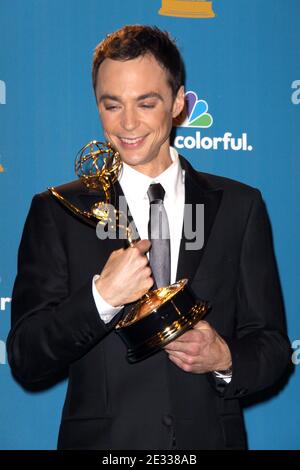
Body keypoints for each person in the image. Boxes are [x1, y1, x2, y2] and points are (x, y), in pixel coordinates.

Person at [7, 25, 290, 450]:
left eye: (146, 102)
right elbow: (27, 358)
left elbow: (272, 348)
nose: (128, 123)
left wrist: (225, 357)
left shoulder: (239, 206)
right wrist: (101, 298)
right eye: (112, 104)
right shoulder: (59, 211)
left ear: (177, 103)